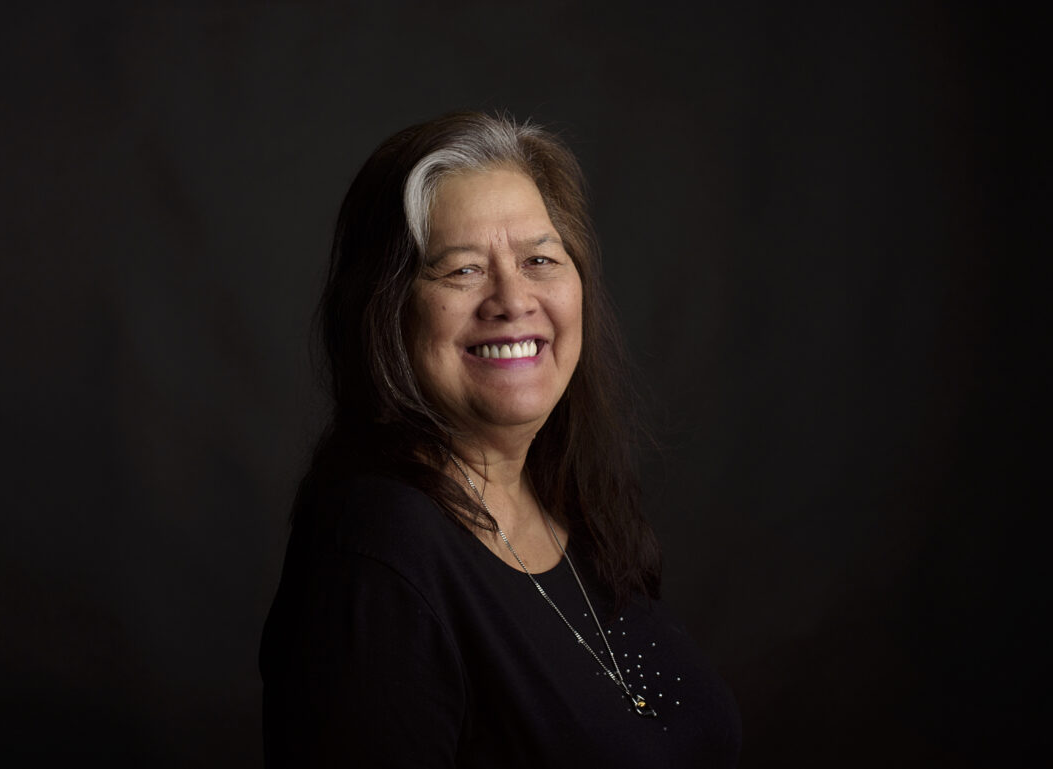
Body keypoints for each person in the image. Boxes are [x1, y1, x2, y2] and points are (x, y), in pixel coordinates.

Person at [259, 111, 741, 767]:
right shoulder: (379, 556)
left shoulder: (575, 508)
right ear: (385, 310)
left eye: (540, 258)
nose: (512, 299)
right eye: (461, 271)